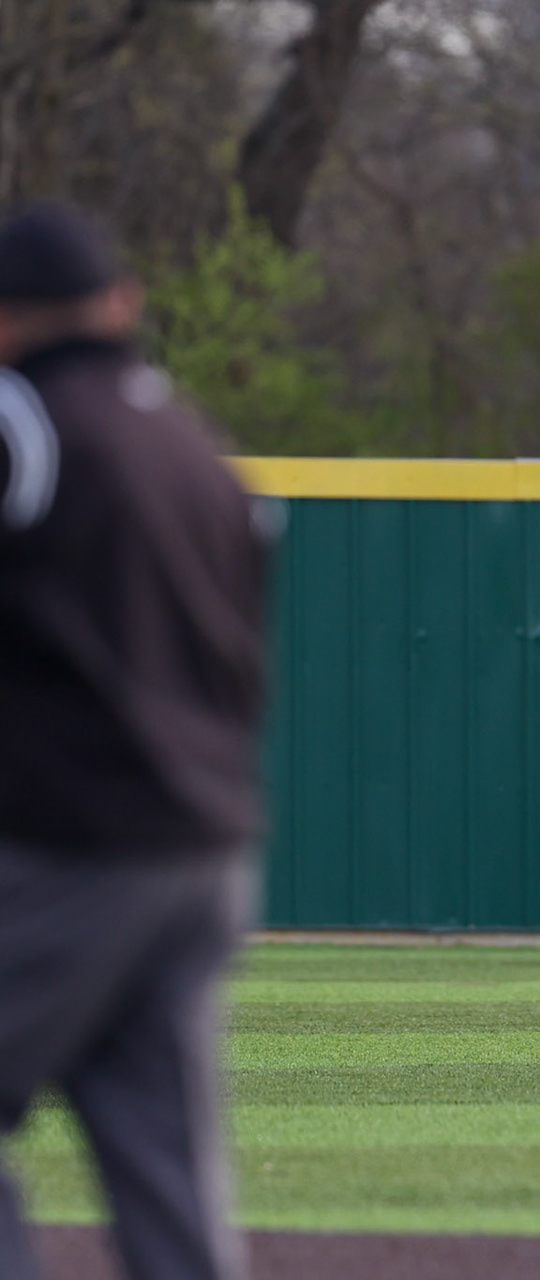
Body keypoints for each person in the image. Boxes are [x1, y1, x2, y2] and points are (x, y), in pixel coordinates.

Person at [0, 203, 269, 1280]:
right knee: (164, 1163)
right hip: (204, 848)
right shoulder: (191, 439)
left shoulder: (26, 417)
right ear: (121, 303)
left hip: (73, 840)